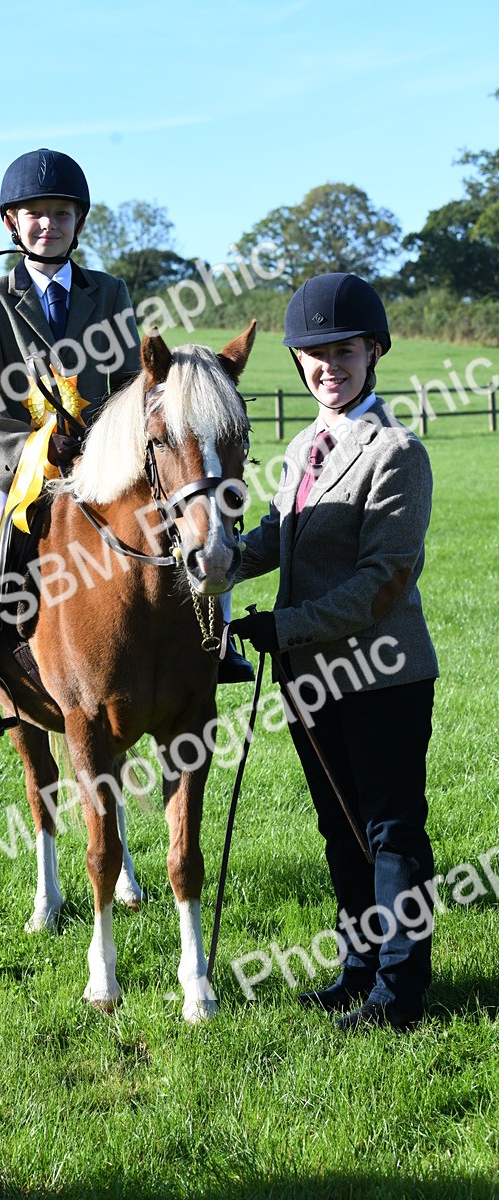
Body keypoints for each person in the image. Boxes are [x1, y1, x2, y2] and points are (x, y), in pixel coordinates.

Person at [228, 272, 439, 1032]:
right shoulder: (303, 447)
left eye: (343, 352)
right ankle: (358, 969)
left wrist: (283, 628)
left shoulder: (397, 452)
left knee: (388, 830)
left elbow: (381, 584)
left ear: (373, 351)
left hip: (383, 673)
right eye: (313, 355)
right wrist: (210, 559)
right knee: (340, 828)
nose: (327, 367)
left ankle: (401, 991)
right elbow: (274, 539)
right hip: (311, 677)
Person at [0, 148, 141, 741]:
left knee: (184, 516)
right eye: (36, 213)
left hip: (103, 462)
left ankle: (214, 645)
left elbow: (131, 381)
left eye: (61, 213)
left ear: (78, 222)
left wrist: (100, 451)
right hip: (12, 467)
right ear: (12, 221)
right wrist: (36, 453)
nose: (48, 224)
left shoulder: (110, 293)